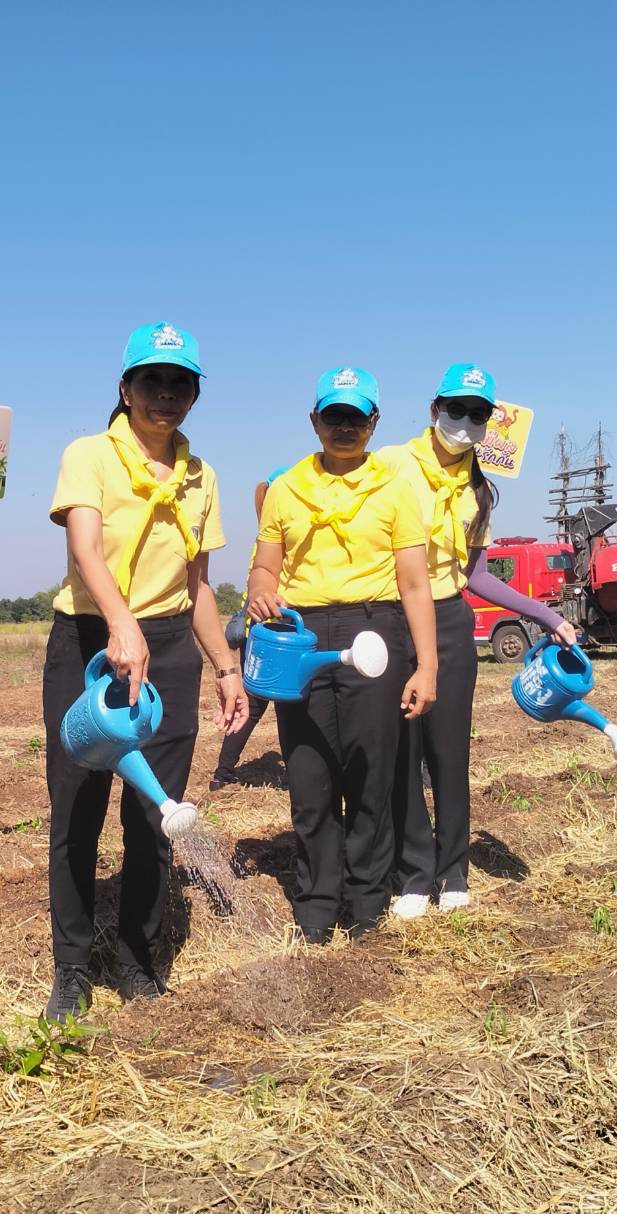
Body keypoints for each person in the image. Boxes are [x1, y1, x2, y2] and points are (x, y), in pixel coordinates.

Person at [43, 321, 246, 1018]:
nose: (164, 394)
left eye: (179, 382)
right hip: (89, 641)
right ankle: (70, 967)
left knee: (156, 815)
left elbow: (197, 585)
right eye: (151, 381)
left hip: (168, 650)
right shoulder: (89, 455)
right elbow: (86, 550)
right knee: (77, 808)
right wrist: (120, 624)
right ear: (124, 388)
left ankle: (137, 957)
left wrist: (224, 666)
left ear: (193, 393)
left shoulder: (201, 476)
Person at [379, 364, 577, 918]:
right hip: (393, 620)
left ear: (490, 422)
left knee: (448, 751)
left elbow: (477, 575)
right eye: (456, 409)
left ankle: (454, 871)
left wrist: (545, 616)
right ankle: (415, 874)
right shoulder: (391, 464)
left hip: (449, 621)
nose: (465, 422)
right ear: (433, 409)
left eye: (478, 413)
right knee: (404, 749)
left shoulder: (480, 488)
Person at [247, 367, 437, 943]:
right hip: (301, 632)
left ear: (374, 422)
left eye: (357, 417)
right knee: (309, 775)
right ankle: (317, 903)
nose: (345, 427)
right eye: (335, 416)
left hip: (374, 629)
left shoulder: (397, 488)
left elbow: (414, 584)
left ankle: (366, 902)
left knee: (370, 770)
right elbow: (264, 566)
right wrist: (258, 587)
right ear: (314, 421)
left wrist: (426, 664)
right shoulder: (285, 490)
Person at [209, 466, 290, 790]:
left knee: (255, 703)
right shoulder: (280, 535)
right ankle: (299, 774)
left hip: (256, 627)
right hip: (277, 624)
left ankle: (222, 773)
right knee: (288, 702)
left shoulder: (264, 535)